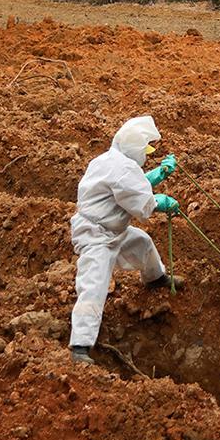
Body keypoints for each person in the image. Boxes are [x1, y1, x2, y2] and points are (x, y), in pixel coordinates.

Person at [68, 116, 183, 365]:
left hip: (114, 231)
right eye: (144, 149)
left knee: (142, 244)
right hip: (96, 236)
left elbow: (131, 185)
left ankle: (155, 278)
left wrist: (159, 174)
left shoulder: (108, 160)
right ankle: (80, 346)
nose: (146, 154)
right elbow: (142, 202)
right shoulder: (123, 169)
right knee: (94, 285)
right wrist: (161, 202)